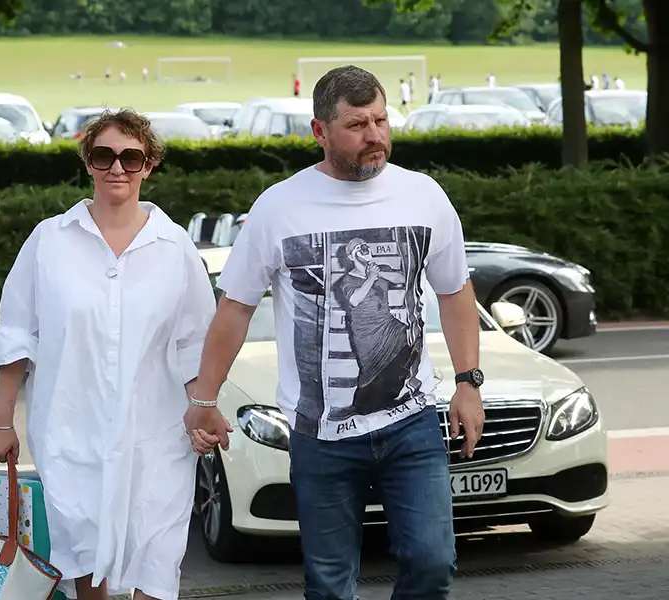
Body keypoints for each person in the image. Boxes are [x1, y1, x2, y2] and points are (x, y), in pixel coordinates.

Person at [185, 65, 487, 600]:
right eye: (356, 125)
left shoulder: (425, 197)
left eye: (381, 120)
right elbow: (234, 310)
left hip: (411, 422)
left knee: (433, 562)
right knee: (329, 583)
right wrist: (205, 398)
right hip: (320, 433)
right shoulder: (279, 207)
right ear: (320, 132)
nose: (374, 136)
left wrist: (468, 382)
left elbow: (455, 292)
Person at [0, 108, 217, 600]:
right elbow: (17, 333)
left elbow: (195, 340)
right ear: (88, 162)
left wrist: (204, 407)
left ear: (148, 165)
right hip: (73, 433)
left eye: (131, 157)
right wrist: (1, 422)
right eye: (104, 155)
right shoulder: (49, 241)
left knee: (156, 558)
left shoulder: (174, 247)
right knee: (86, 564)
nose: (117, 168)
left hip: (156, 438)